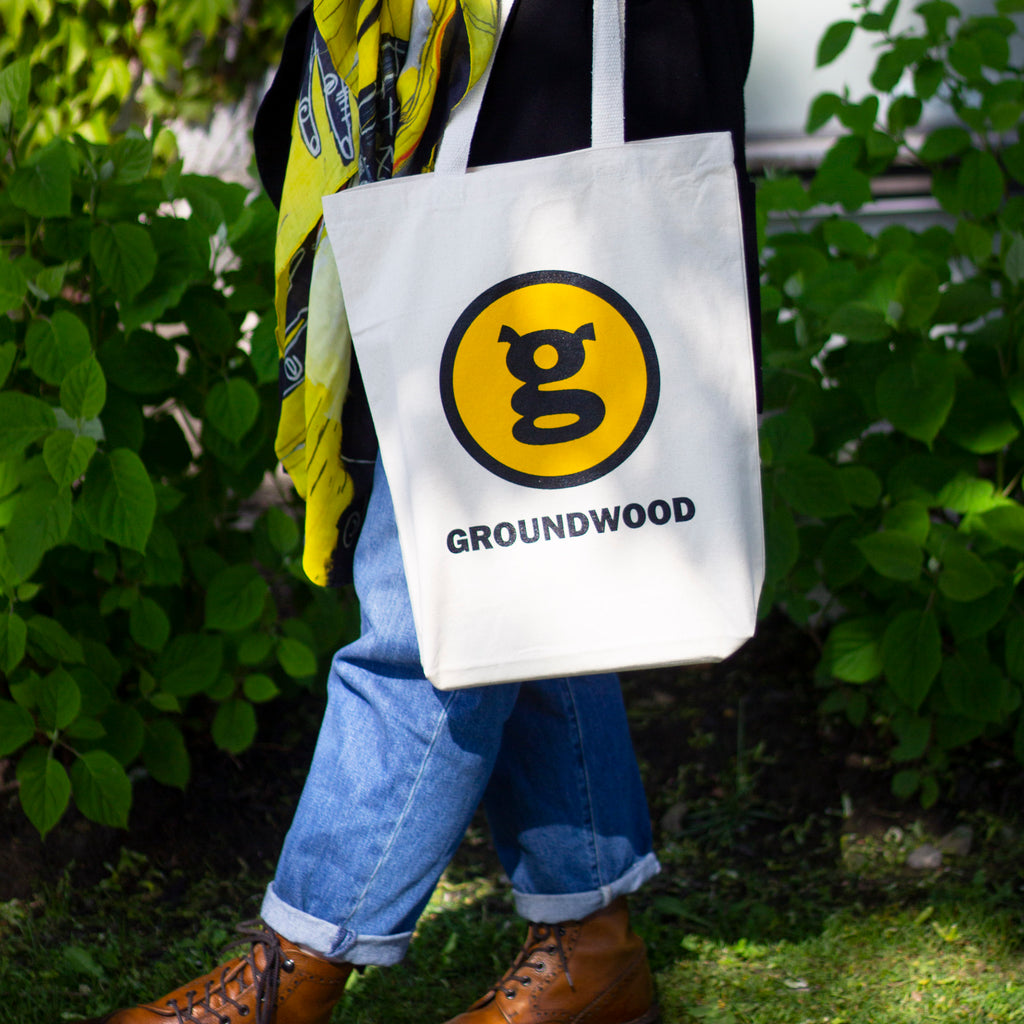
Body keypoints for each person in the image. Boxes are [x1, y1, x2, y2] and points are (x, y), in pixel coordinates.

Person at [71, 0, 756, 1021]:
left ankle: (299, 960)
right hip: (482, 93)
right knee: (518, 559)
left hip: (544, 118)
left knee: (434, 586)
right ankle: (592, 946)